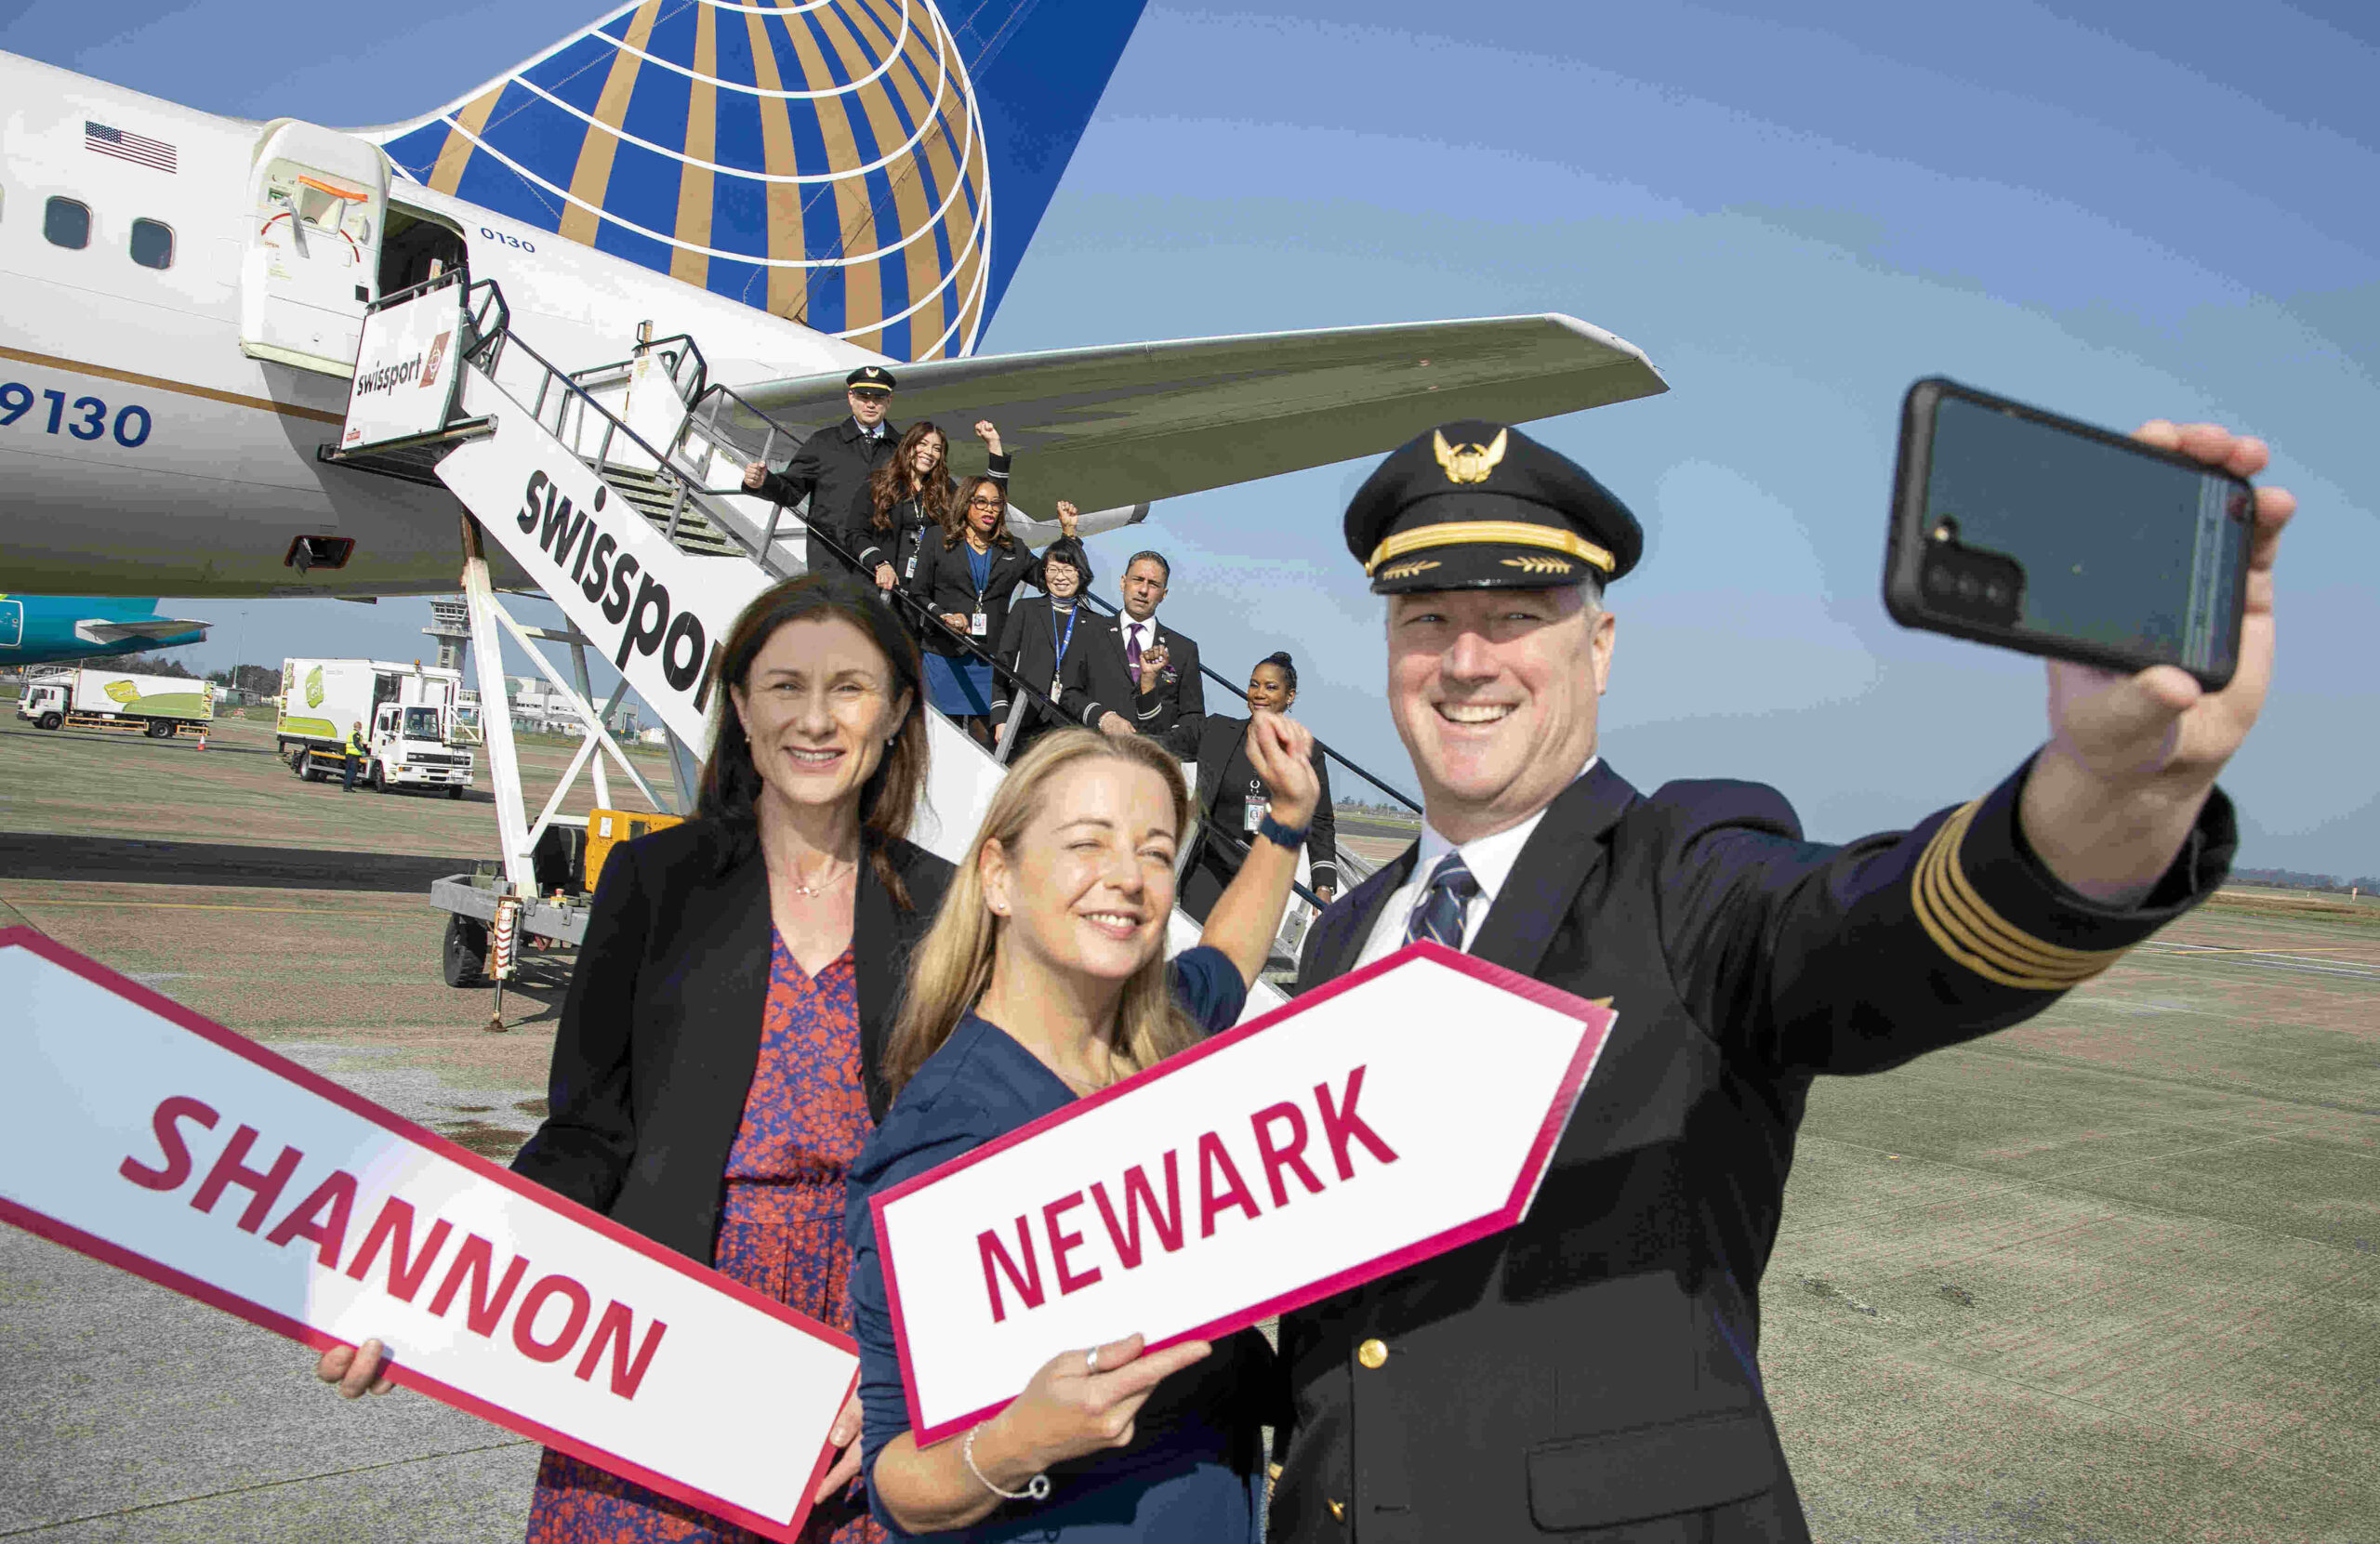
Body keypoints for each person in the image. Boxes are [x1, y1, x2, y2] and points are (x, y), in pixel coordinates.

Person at [1262, 418, 2293, 1542]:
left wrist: (2115, 787)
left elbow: (1878, 927)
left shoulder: (1685, 868)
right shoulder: (1346, 934)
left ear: (1598, 646)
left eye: (1515, 618)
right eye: (1428, 621)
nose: (1466, 660)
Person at [314, 572, 955, 1544]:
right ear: (740, 706)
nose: (816, 719)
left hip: (852, 1360)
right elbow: (585, 1131)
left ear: (899, 709)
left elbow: (960, 1162)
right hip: (660, 1331)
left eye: (851, 688)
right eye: (785, 685)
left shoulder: (942, 906)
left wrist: (899, 1370)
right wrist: (432, 1287)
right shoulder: (656, 881)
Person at [845, 719, 1323, 1541]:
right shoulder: (942, 1140)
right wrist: (1016, 1442)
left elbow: (1228, 957)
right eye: (1088, 843)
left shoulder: (1158, 1040)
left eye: (1154, 851)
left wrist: (1286, 819)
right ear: (998, 875)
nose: (1128, 878)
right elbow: (895, 1479)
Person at [1181, 652, 1339, 920]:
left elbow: (1320, 820)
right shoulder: (1217, 731)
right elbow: (1158, 744)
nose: (1259, 693)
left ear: (1290, 697)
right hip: (1209, 865)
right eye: (1254, 684)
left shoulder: (1307, 752)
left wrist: (1323, 884)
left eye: (1271, 687)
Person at [907, 474, 1040, 747]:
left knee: (985, 748)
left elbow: (1050, 579)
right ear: (966, 503)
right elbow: (918, 593)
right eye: (981, 502)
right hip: (943, 656)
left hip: (988, 661)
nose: (989, 509)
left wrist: (1069, 537)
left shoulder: (1013, 548)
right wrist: (941, 615)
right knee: (939, 744)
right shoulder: (937, 538)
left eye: (995, 503)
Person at [743, 365, 903, 582]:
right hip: (831, 562)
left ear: (889, 400)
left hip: (885, 567)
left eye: (878, 397)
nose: (871, 404)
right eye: (863, 397)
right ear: (850, 397)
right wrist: (763, 482)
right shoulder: (824, 443)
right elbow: (791, 491)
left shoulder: (903, 450)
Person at [1054, 550, 1203, 756]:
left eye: (1153, 584)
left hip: (1150, 764)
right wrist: (1103, 718)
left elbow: (1193, 718)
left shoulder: (1183, 649)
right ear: (1123, 582)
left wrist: (1159, 745)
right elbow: (1069, 693)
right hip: (1092, 754)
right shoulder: (1088, 632)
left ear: (1164, 594)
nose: (1143, 590)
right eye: (1138, 580)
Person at [862, 420, 1012, 597]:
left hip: (929, 593)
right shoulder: (879, 485)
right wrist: (880, 563)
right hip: (887, 589)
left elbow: (990, 501)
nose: (929, 453)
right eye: (923, 444)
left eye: (937, 449)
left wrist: (994, 444)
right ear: (908, 446)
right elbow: (855, 533)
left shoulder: (945, 488)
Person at [987, 508, 1089, 757]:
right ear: (1043, 573)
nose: (1060, 577)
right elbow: (1003, 665)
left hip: (1067, 728)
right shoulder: (1026, 609)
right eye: (1052, 570)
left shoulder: (1094, 623)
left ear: (1081, 574)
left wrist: (1070, 534)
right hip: (1023, 721)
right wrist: (1000, 717)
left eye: (1068, 570)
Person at [342, 719, 367, 792]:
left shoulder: (351, 733)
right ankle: (348, 787)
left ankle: (346, 787)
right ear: (359, 727)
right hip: (354, 755)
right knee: (352, 771)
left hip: (349, 754)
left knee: (348, 771)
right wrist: (362, 750)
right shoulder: (355, 734)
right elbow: (357, 744)